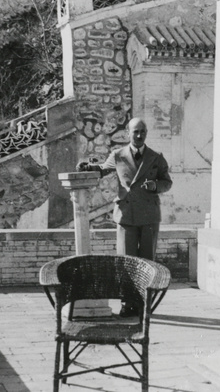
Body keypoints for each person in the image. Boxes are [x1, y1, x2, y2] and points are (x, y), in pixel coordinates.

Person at [76, 117, 173, 317]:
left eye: (142, 132)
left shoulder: (156, 157)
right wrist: (89, 167)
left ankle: (145, 305)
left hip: (148, 217)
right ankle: (128, 305)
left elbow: (167, 181)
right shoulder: (118, 155)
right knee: (127, 262)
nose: (139, 135)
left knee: (147, 263)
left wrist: (156, 186)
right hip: (127, 215)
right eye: (135, 132)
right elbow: (103, 169)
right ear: (127, 133)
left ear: (146, 133)